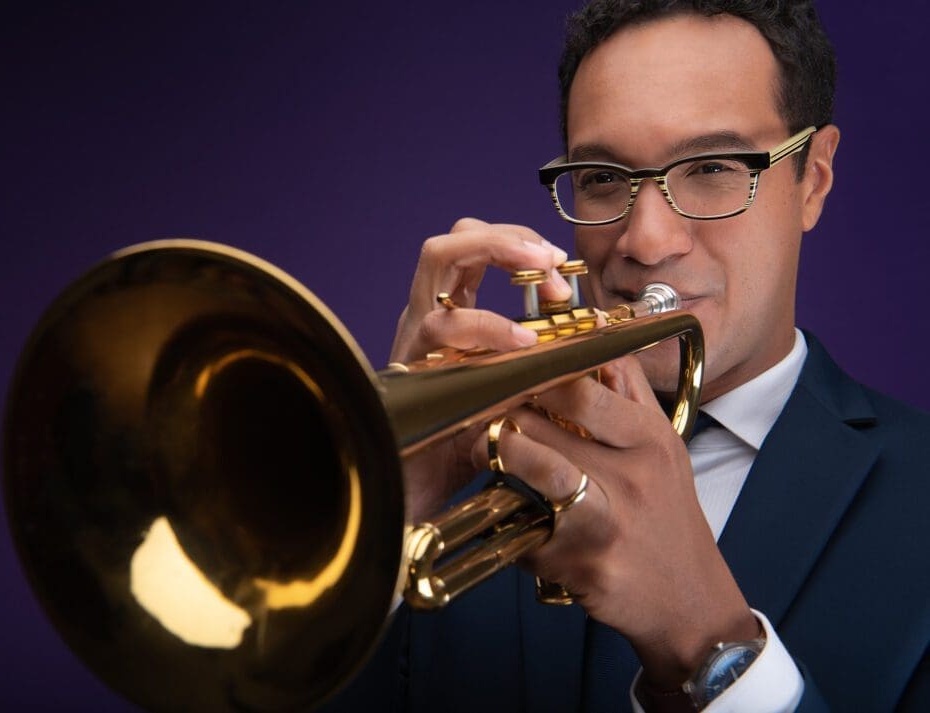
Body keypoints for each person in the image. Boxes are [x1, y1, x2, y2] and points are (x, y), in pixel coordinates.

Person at [325, 1, 930, 711]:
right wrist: (373, 518)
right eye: (605, 177)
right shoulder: (467, 474)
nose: (645, 241)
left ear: (814, 179)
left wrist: (707, 637)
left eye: (710, 166)